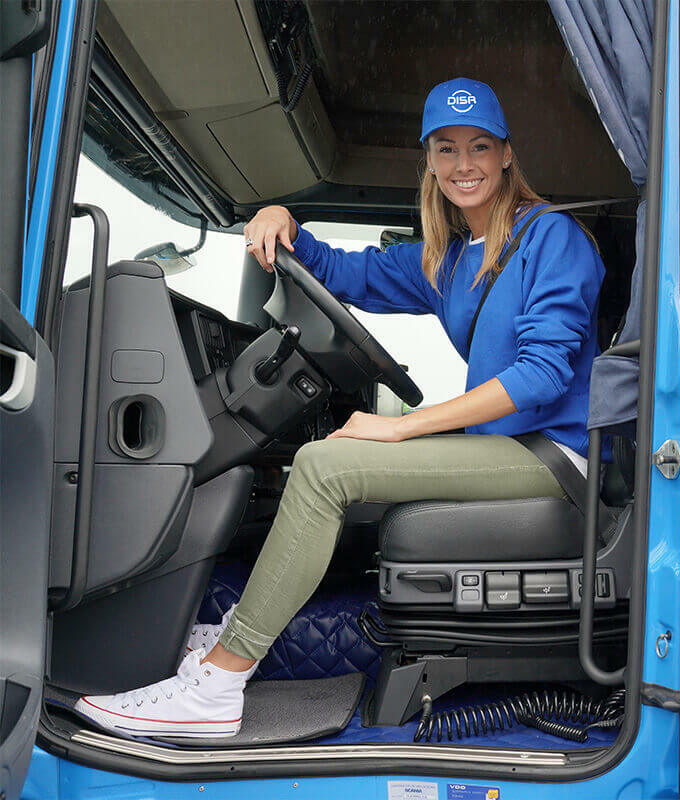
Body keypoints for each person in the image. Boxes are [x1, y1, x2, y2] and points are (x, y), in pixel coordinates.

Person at [74, 78, 605, 738]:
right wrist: (280, 219)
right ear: (431, 161)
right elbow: (344, 273)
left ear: (505, 155)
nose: (462, 165)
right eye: (446, 149)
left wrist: (402, 425)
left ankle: (216, 686)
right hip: (510, 447)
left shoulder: (552, 238)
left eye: (478, 147)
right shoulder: (451, 257)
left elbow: (544, 375)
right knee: (334, 459)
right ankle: (238, 634)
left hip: (555, 457)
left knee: (328, 467)